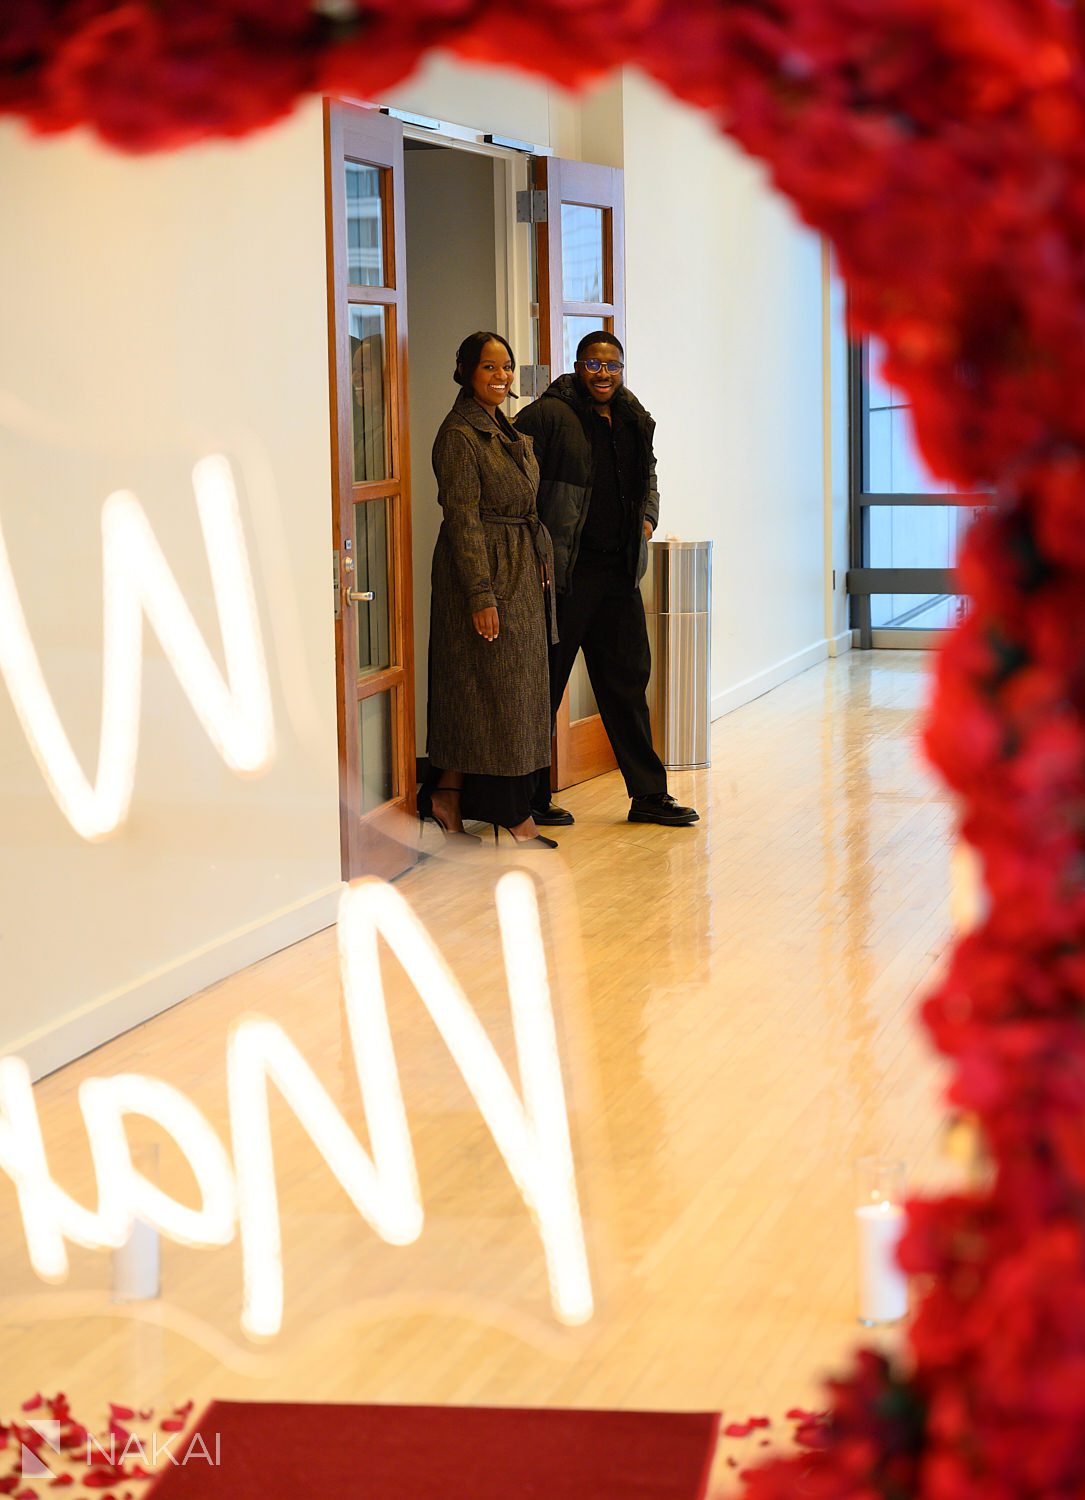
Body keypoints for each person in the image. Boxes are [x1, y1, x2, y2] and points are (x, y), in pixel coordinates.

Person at [515, 331, 699, 828]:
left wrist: (648, 519)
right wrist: (533, 544)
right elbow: (514, 481)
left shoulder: (633, 415)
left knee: (627, 685)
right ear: (578, 366)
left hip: (619, 574)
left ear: (622, 369)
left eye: (612, 366)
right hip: (566, 575)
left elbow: (649, 476)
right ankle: (527, 798)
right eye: (593, 365)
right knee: (545, 685)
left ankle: (649, 795)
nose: (603, 374)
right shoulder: (547, 416)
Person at [422, 331, 559, 850]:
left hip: (521, 565)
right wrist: (481, 595)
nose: (501, 377)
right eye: (489, 368)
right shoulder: (459, 435)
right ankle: (514, 815)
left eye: (507, 367)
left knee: (489, 694)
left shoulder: (503, 425)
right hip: (484, 572)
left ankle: (447, 799)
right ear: (464, 371)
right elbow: (462, 521)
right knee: (496, 694)